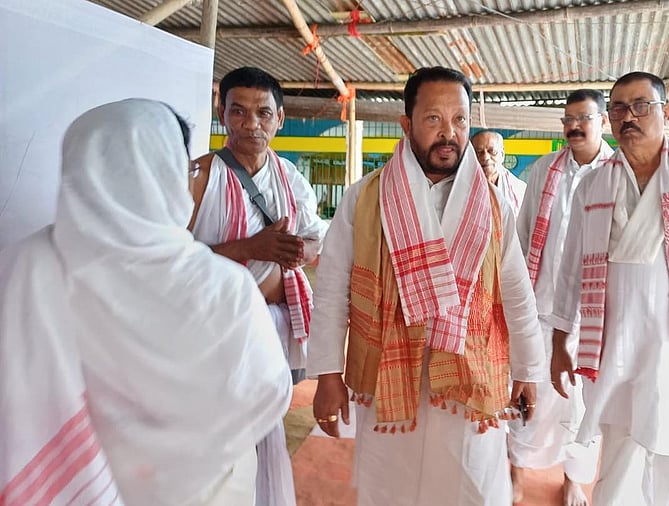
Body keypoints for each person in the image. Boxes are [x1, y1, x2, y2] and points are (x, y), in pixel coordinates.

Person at [0, 99, 292, 505]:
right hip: (206, 490)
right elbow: (268, 393)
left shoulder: (24, 266)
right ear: (166, 173)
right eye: (189, 169)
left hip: (71, 485)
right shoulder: (223, 288)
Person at [306, 66, 545, 506]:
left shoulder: (493, 205)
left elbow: (516, 289)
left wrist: (529, 369)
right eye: (434, 119)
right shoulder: (365, 198)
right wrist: (326, 375)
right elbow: (333, 288)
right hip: (390, 376)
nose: (448, 133)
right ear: (407, 125)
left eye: (459, 120)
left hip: (468, 379)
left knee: (470, 487)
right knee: (390, 488)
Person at [549, 72, 669, 506]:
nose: (629, 117)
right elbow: (571, 268)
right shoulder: (593, 183)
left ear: (667, 112)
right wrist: (559, 342)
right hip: (613, 344)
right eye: (618, 108)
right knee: (618, 458)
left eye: (641, 106)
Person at [190, 66, 328, 505]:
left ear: (280, 118)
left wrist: (293, 252)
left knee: (263, 432)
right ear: (222, 112)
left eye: (263, 113)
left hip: (273, 333)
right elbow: (168, 257)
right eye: (239, 112)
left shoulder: (290, 177)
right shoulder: (199, 176)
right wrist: (250, 247)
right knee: (220, 438)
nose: (251, 124)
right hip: (214, 337)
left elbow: (313, 240)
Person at [512, 88, 614, 505]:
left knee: (582, 403)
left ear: (602, 122)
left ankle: (574, 477)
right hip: (540, 304)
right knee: (525, 387)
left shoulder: (616, 171)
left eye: (583, 118)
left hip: (592, 314)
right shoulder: (543, 170)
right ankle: (515, 468)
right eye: (568, 119)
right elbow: (522, 234)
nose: (574, 126)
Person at [472, 130, 526, 214]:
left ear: (502, 154)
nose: (485, 157)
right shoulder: (462, 186)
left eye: (492, 151)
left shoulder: (519, 189)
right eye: (479, 152)